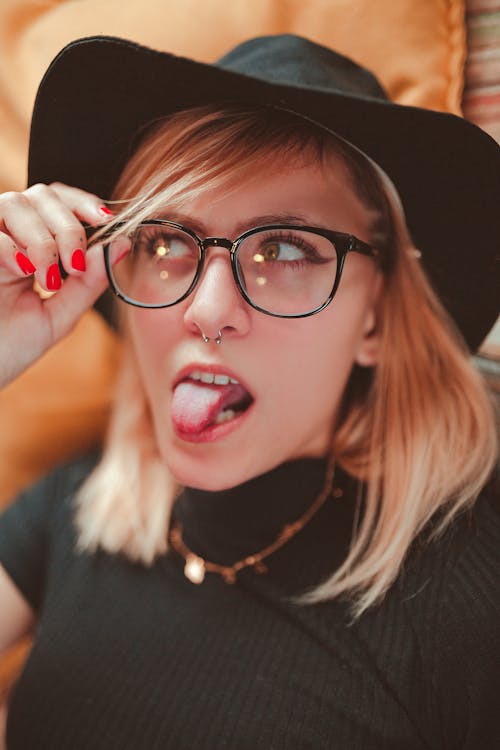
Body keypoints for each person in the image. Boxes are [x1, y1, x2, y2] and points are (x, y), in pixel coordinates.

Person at [0, 33, 498, 750]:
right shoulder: (78, 506)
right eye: (167, 241)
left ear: (377, 319)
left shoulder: (467, 608)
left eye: (284, 251)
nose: (205, 310)